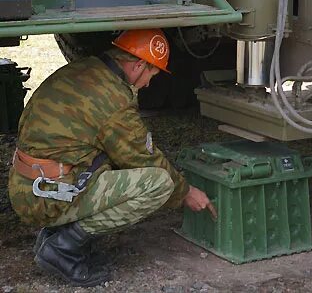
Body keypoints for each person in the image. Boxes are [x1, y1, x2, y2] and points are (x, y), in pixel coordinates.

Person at [8, 29, 215, 287]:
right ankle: (63, 248)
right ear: (138, 65)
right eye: (151, 73)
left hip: (30, 186)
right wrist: (185, 192)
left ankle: (56, 232)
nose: (149, 83)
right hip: (46, 197)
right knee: (158, 184)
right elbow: (143, 158)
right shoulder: (112, 99)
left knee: (108, 159)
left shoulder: (87, 70)